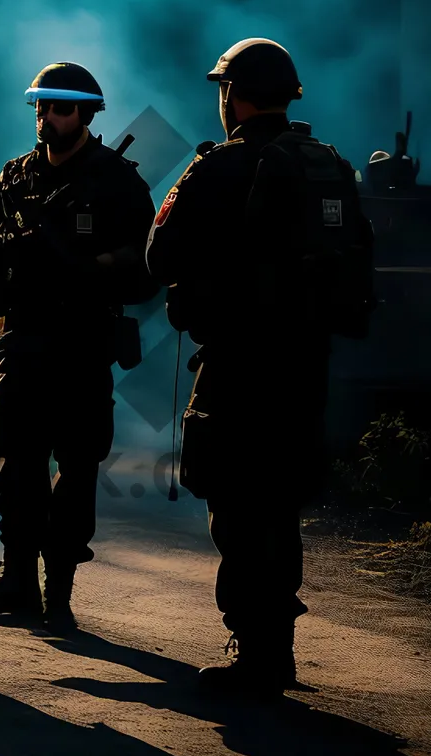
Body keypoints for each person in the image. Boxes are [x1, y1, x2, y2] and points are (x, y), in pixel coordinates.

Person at [145, 38, 372, 695]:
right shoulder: (326, 164)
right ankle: (279, 648)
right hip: (304, 365)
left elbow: (158, 256)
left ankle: (255, 650)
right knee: (278, 504)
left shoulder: (219, 167)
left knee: (236, 506)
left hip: (240, 367)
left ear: (232, 97)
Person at [0, 63, 157, 631]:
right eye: (41, 107)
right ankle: (17, 582)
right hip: (21, 340)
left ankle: (59, 591)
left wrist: (93, 268)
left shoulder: (117, 182)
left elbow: (148, 269)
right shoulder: (16, 177)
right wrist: (6, 246)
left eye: (61, 108)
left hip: (83, 343)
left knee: (76, 468)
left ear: (87, 114)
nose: (47, 117)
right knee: (18, 464)